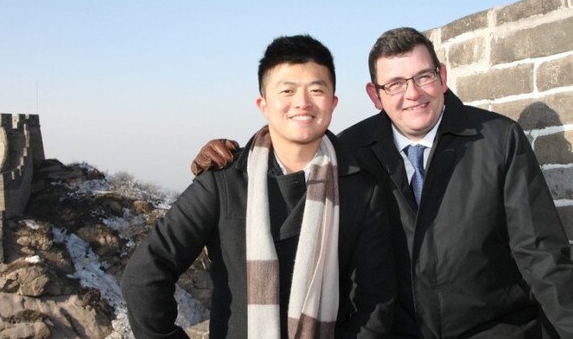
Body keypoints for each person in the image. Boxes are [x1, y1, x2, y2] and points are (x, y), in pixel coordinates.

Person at [191, 27, 573, 338]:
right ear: (375, 95)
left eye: (424, 76)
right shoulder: (352, 150)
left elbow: (541, 253)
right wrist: (230, 158)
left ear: (441, 77)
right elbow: (290, 165)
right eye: (395, 84)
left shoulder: (497, 139)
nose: (412, 94)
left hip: (496, 329)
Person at [122, 34, 395, 339]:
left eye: (316, 90)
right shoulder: (223, 181)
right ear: (263, 104)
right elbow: (144, 274)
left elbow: (375, 302)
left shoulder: (360, 189)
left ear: (333, 102)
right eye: (287, 90)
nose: (302, 103)